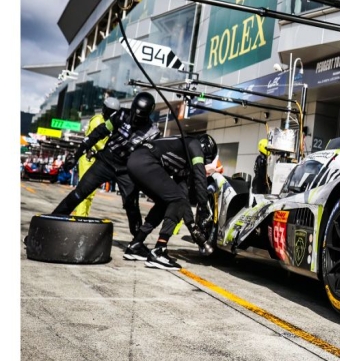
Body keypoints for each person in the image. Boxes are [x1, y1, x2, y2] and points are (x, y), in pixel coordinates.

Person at [53, 92, 160, 237]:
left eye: (140, 117)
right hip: (105, 162)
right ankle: (50, 224)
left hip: (126, 171)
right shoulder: (121, 115)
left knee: (132, 207)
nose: (136, 120)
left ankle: (137, 243)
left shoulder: (153, 133)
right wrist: (77, 155)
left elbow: (149, 158)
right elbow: (98, 132)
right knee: (78, 194)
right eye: (135, 114)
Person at [122, 134, 218, 269]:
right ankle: (159, 251)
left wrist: (192, 227)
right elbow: (199, 177)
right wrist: (203, 208)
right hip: (145, 161)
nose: (203, 163)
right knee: (175, 200)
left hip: (135, 162)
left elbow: (183, 200)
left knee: (166, 202)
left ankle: (136, 244)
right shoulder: (194, 143)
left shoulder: (181, 163)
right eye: (204, 161)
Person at [73, 96, 121, 217]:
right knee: (84, 191)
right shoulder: (99, 121)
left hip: (96, 159)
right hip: (88, 158)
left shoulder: (110, 123)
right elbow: (99, 143)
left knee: (90, 193)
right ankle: (80, 217)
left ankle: (83, 216)